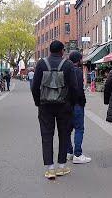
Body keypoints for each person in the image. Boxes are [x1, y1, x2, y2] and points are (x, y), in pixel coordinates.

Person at [31, 40, 79, 180]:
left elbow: (35, 87)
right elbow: (74, 87)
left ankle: (50, 169)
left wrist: (38, 102)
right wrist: (72, 103)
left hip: (45, 106)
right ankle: (62, 166)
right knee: (64, 135)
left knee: (46, 136)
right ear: (62, 51)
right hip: (64, 106)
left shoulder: (41, 64)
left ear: (50, 51)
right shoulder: (68, 65)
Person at [66, 50, 91, 164]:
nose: (82, 61)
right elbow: (78, 90)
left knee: (67, 130)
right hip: (76, 104)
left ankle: (69, 152)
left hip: (65, 104)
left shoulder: (65, 69)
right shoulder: (77, 71)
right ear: (78, 60)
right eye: (81, 59)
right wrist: (82, 102)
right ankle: (77, 154)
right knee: (79, 129)